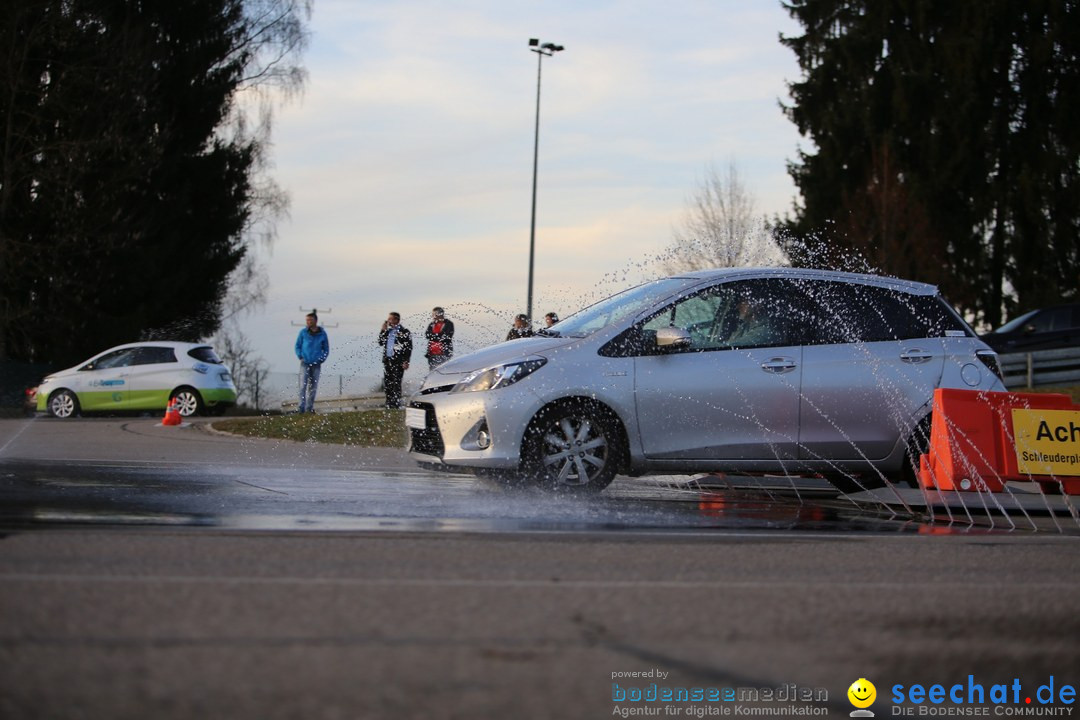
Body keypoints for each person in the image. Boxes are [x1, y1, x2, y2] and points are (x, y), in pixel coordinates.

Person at [294, 312, 329, 413]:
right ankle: (301, 408)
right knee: (302, 386)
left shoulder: (322, 334)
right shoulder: (303, 333)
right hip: (305, 363)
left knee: (313, 387)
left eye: (310, 320)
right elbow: (297, 345)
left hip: (316, 364)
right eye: (307, 320)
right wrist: (300, 356)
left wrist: (321, 359)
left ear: (315, 321)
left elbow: (326, 348)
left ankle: (309, 408)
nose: (308, 322)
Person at [377, 312, 412, 409]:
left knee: (396, 383)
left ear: (397, 320)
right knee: (388, 383)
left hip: (398, 361)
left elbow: (408, 347)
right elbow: (380, 342)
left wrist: (406, 361)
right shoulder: (387, 332)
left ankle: (396, 403)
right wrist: (382, 330)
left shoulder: (404, 332)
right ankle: (389, 403)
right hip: (387, 360)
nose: (389, 321)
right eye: (388, 319)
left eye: (390, 319)